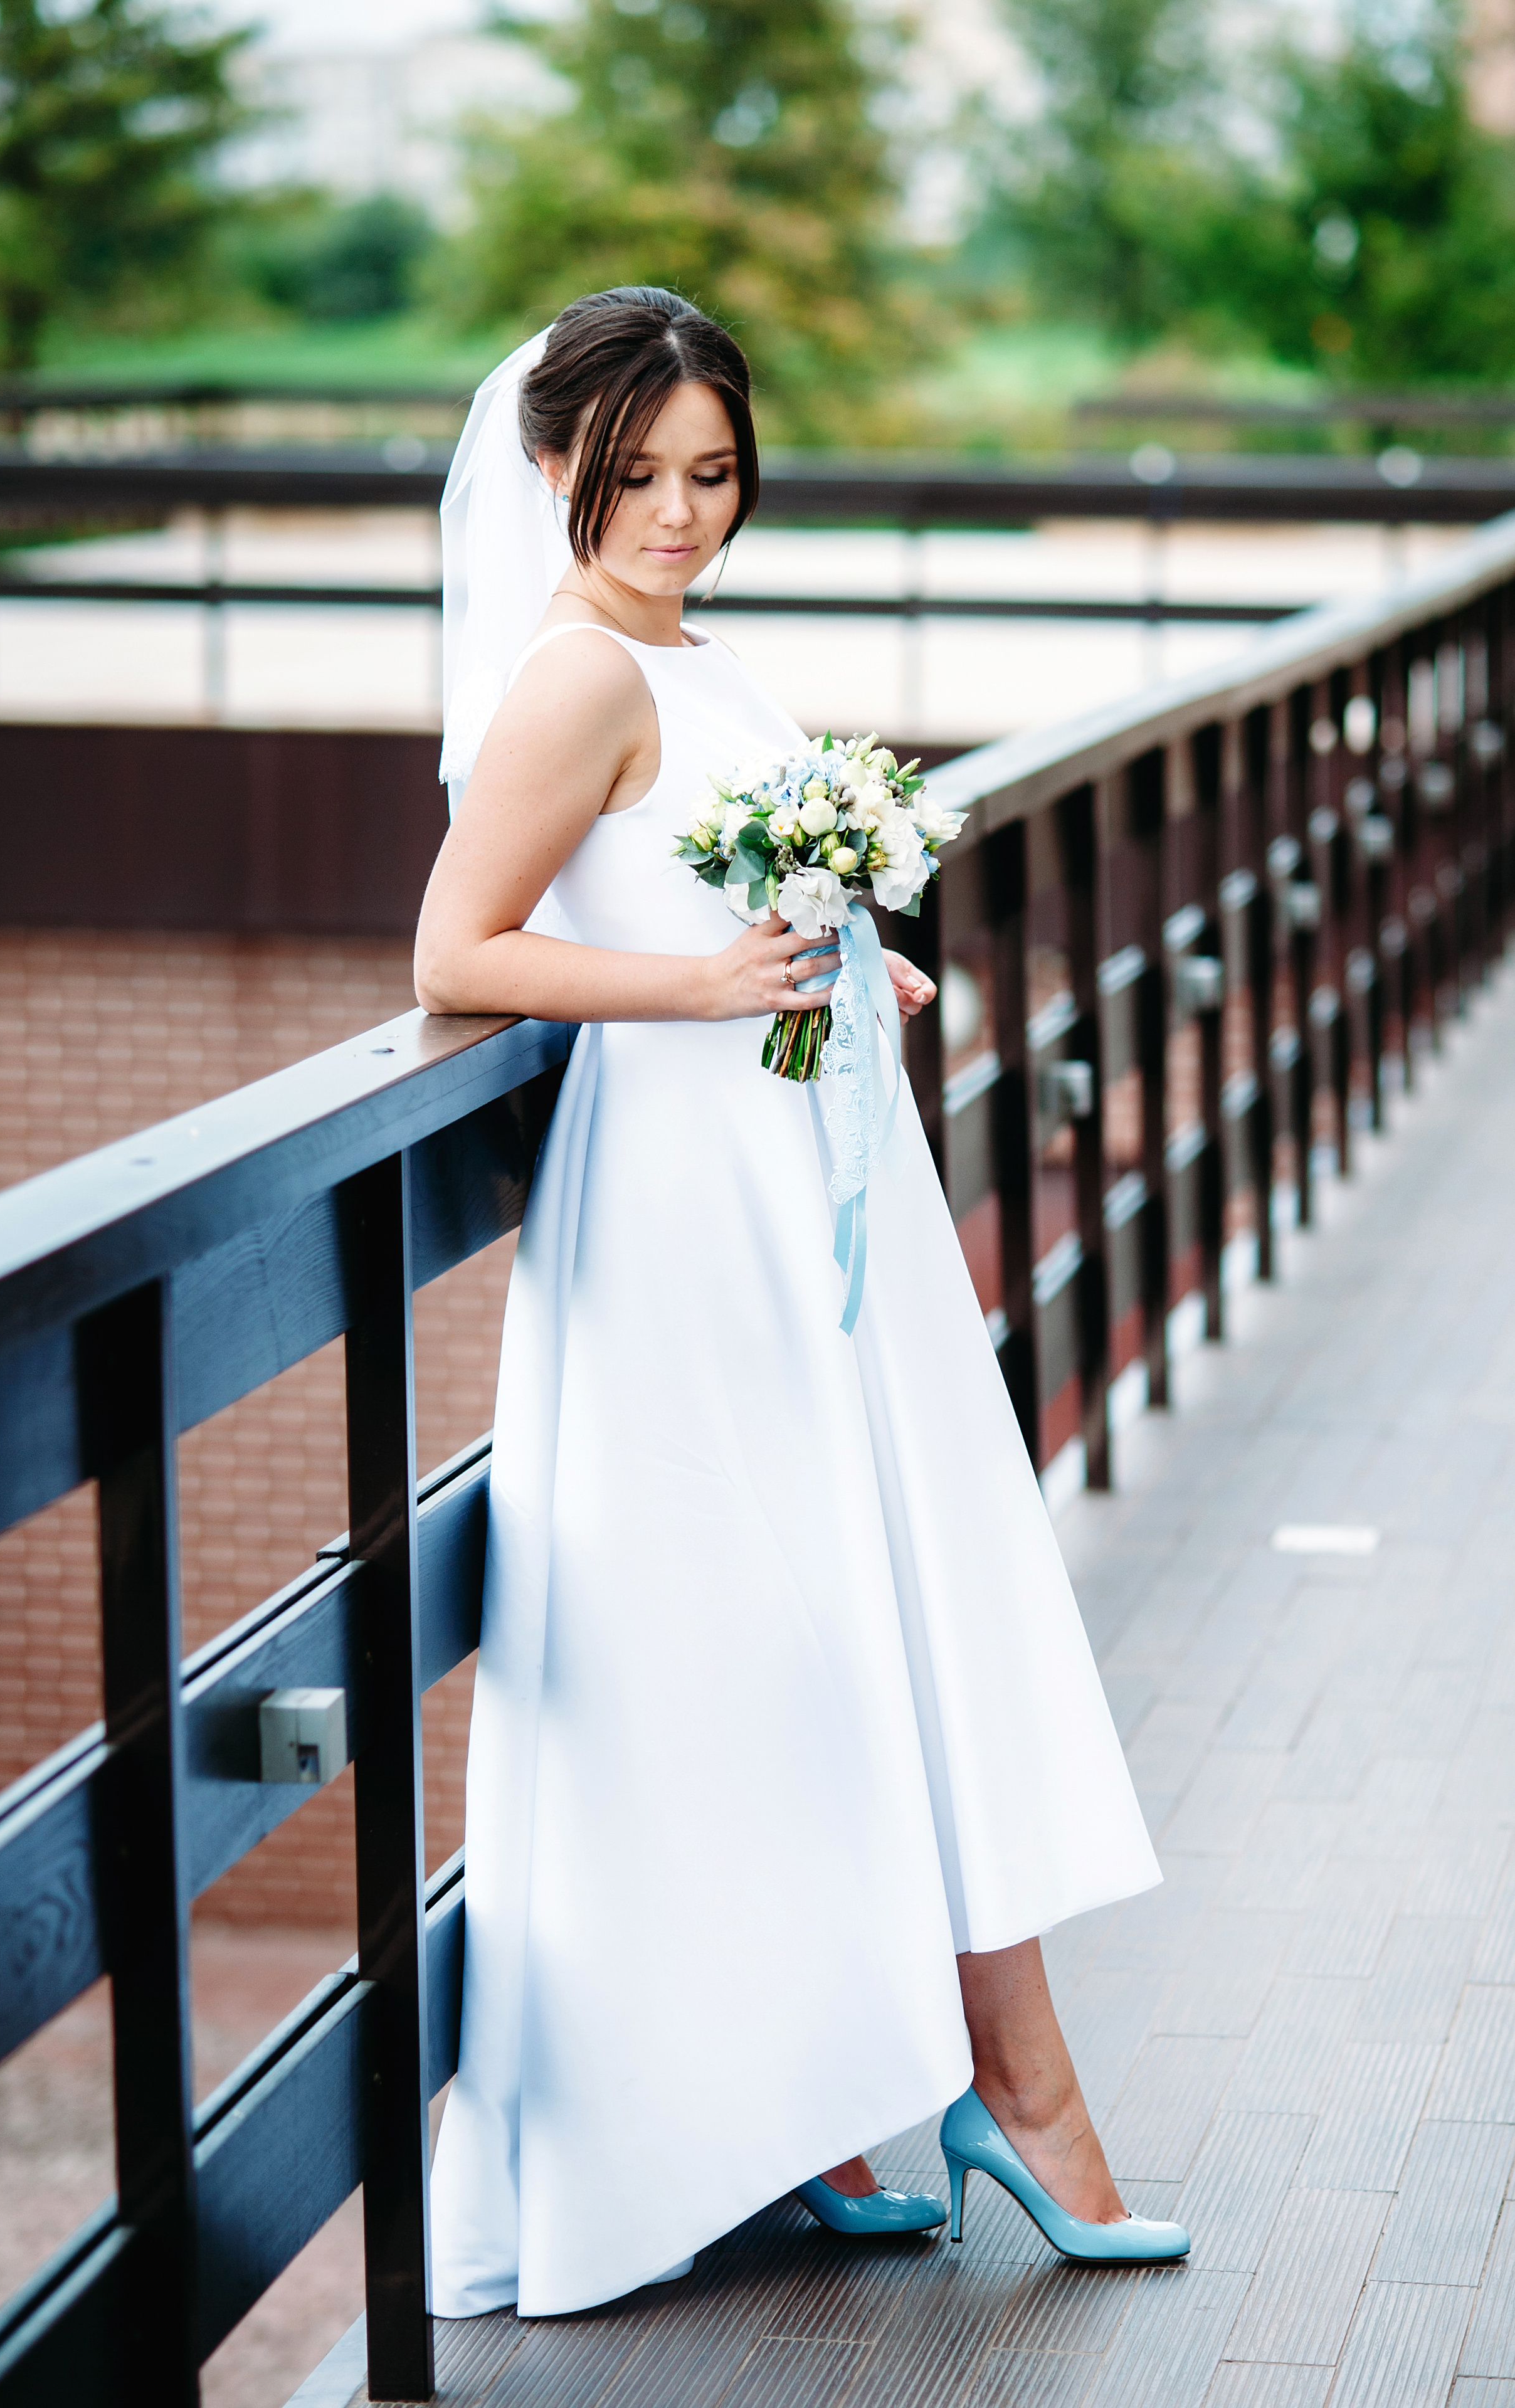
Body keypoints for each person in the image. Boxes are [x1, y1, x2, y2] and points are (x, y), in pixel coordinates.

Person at [414, 286, 1187, 2321]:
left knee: (888, 1611)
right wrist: (706, 988)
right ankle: (964, 2097)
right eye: (634, 477)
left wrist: (845, 950)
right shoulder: (570, 678)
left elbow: (707, 886)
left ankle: (882, 2105)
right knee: (785, 1629)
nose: (678, 513)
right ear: (552, 473)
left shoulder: (688, 655)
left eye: (711, 473)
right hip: (687, 1221)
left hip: (806, 1188)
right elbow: (457, 951)